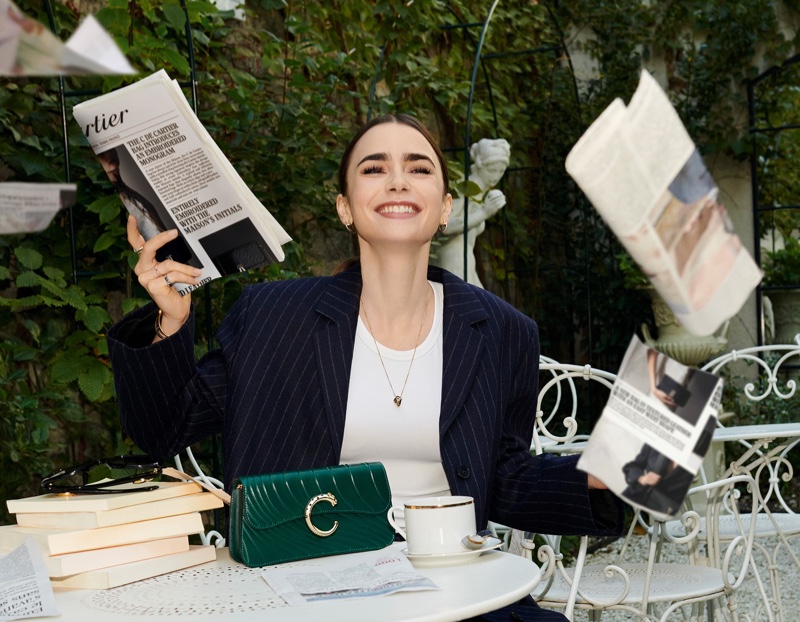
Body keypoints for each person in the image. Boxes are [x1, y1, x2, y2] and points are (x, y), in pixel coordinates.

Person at [107, 114, 622, 621]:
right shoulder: (273, 319)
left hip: (456, 590)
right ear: (345, 208)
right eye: (374, 169)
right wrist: (168, 323)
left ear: (445, 208)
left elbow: (503, 477)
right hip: (308, 590)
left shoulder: (504, 330)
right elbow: (162, 429)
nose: (398, 178)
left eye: (419, 169)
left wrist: (599, 478)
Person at [431, 138, 510, 288]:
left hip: (464, 259)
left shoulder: (480, 192)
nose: (496, 176)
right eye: (492, 170)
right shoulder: (465, 189)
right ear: (479, 166)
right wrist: (484, 212)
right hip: (452, 259)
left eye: (501, 171)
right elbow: (444, 225)